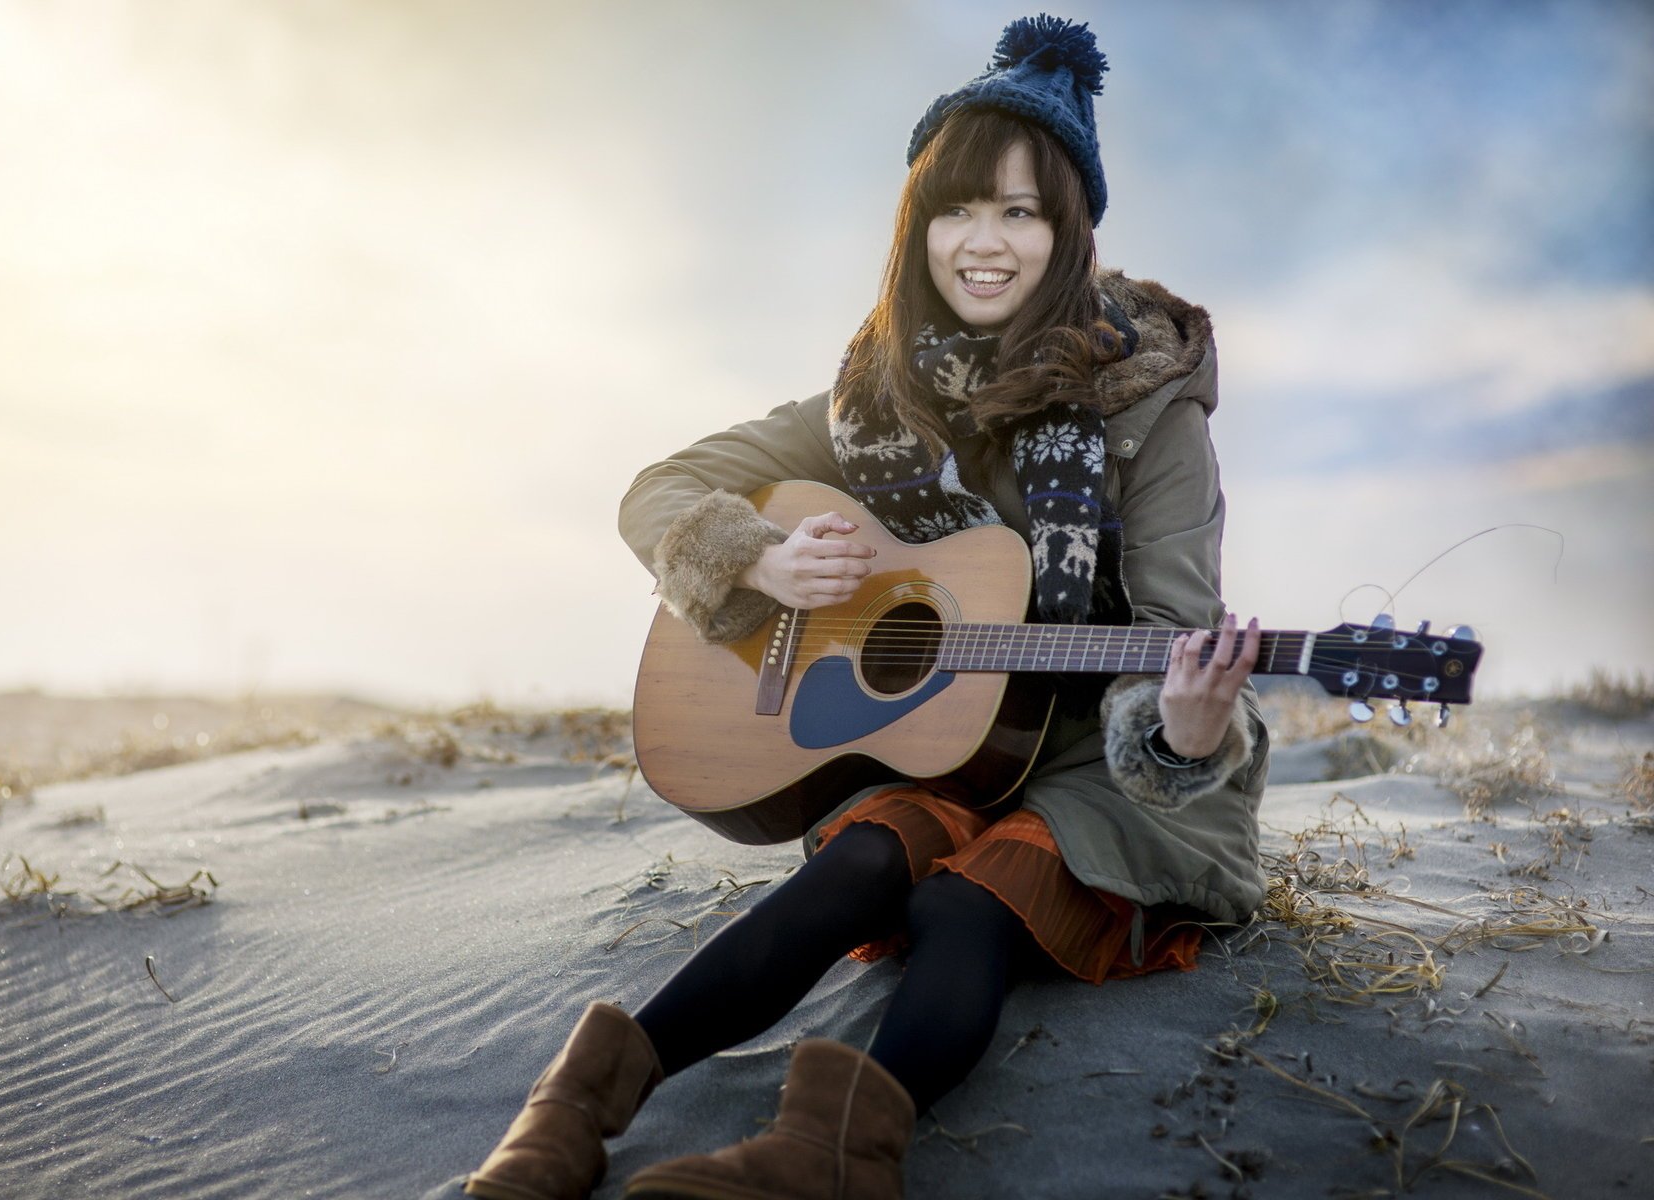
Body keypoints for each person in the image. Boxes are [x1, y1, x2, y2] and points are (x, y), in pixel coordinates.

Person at [466, 15, 1268, 1200]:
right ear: (916, 226)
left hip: (1106, 771)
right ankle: (578, 1104)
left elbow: (1170, 632)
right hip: (954, 748)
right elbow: (661, 491)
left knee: (966, 899)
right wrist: (764, 560)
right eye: (957, 209)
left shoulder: (1149, 414)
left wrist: (1186, 732)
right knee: (851, 870)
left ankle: (828, 1162)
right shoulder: (875, 397)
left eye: (1021, 212)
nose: (984, 243)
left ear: (1070, 231)